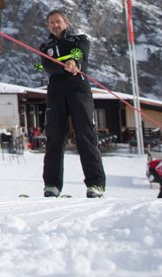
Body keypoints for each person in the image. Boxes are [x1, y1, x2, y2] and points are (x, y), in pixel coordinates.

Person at [37, 10, 106, 198]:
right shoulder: (46, 46)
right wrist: (62, 65)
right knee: (54, 138)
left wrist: (74, 61)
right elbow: (45, 65)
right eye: (51, 22)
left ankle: (96, 184)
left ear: (66, 23)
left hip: (78, 90)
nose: (55, 25)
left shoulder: (79, 39)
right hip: (56, 93)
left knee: (85, 135)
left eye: (58, 21)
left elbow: (80, 53)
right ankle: (52, 184)